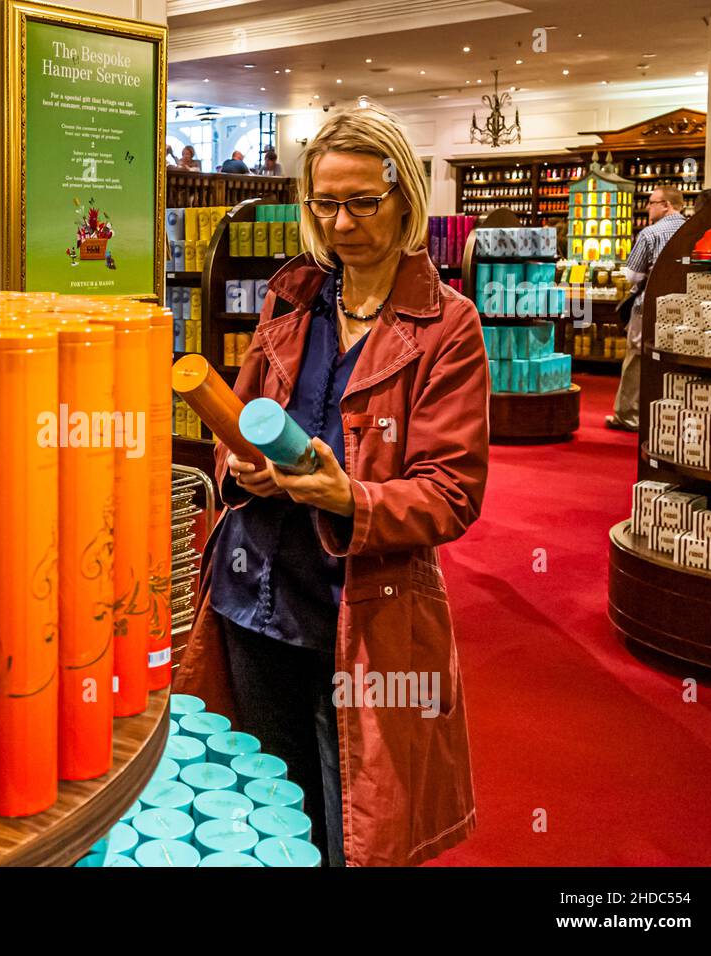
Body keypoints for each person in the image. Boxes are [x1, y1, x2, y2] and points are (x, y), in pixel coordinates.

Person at [174, 103, 488, 867]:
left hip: (358, 617)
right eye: (324, 203)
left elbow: (452, 492)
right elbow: (240, 430)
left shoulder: (447, 326)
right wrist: (241, 472)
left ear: (404, 199)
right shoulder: (289, 303)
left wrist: (347, 497)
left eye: (362, 202)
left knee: (350, 821)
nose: (342, 223)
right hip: (253, 597)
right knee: (261, 807)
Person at [606, 185, 686, 431]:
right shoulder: (692, 229)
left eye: (652, 202)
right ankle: (669, 414)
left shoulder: (650, 234)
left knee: (637, 356)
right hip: (684, 305)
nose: (648, 207)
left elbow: (631, 275)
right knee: (674, 359)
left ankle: (629, 415)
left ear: (666, 205)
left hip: (648, 305)